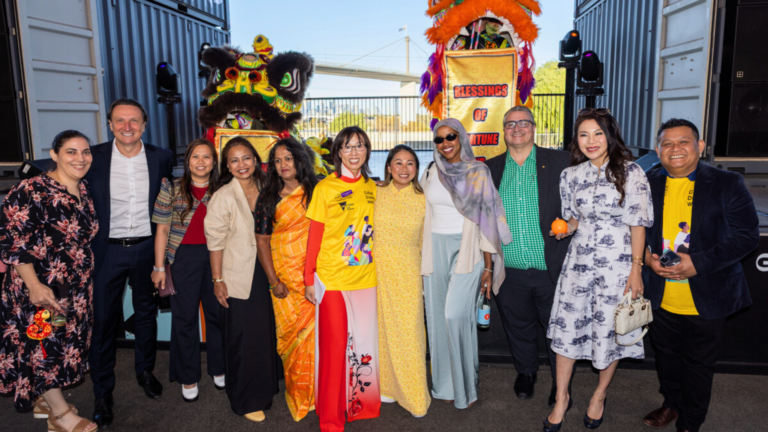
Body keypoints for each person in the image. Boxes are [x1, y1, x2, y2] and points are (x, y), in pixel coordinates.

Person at [641, 119, 759, 432]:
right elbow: (635, 231)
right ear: (658, 150)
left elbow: (747, 235)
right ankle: (672, 403)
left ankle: (691, 421)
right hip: (660, 292)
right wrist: (645, 259)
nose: (675, 149)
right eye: (667, 144)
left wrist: (699, 263)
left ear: (700, 147)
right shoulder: (646, 182)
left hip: (708, 292)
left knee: (698, 364)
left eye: (684, 142)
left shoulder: (726, 183)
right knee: (665, 356)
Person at [544, 109, 654, 432]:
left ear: (610, 135)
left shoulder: (632, 173)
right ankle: (562, 399)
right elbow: (574, 218)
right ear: (576, 140)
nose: (591, 141)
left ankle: (599, 395)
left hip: (617, 267)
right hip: (578, 265)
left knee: (612, 332)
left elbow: (638, 225)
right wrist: (566, 228)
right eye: (583, 135)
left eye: (597, 134)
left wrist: (636, 271)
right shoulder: (570, 176)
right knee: (566, 332)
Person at [0, 130, 99, 432]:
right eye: (71, 152)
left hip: (73, 287)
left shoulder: (84, 188)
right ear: (54, 155)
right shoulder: (31, 189)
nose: (80, 158)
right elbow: (13, 241)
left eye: (85, 152)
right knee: (45, 346)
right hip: (43, 290)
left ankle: (44, 397)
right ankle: (60, 416)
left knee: (62, 341)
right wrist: (34, 286)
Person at [86, 99, 174, 427]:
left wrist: (161, 260)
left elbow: (165, 207)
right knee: (103, 321)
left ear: (144, 124)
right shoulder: (92, 158)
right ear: (109, 124)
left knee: (145, 315)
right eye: (120, 121)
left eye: (134, 121)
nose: (127, 126)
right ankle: (102, 391)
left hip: (146, 250)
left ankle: (145, 372)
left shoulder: (161, 157)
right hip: (105, 252)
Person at [485, 106, 573, 406]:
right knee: (517, 325)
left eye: (524, 122)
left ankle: (561, 384)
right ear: (504, 131)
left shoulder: (560, 161)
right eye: (511, 124)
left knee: (557, 329)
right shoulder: (492, 169)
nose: (517, 128)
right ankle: (526, 372)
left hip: (552, 267)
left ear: (534, 127)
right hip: (509, 269)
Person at [421, 118, 512, 410]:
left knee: (454, 316)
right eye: (439, 139)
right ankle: (444, 385)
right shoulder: (430, 171)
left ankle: (466, 389)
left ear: (461, 138)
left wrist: (488, 267)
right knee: (436, 319)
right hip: (434, 249)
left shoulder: (477, 172)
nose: (445, 143)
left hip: (468, 249)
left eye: (451, 136)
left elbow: (487, 222)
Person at [304, 126, 381, 431]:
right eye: (347, 147)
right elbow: (315, 237)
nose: (354, 152)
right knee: (335, 349)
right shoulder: (325, 188)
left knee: (364, 346)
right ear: (337, 152)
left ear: (367, 151)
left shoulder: (375, 188)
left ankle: (361, 406)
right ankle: (331, 417)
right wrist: (309, 278)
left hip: (366, 279)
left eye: (360, 146)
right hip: (333, 281)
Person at [204, 137, 278, 422]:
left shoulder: (267, 187)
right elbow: (215, 242)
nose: (241, 165)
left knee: (263, 335)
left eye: (246, 158)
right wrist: (217, 279)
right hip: (236, 275)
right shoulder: (224, 195)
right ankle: (245, 400)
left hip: (266, 271)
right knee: (243, 338)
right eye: (234, 160)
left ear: (256, 160)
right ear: (227, 166)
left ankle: (265, 388)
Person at [151, 139, 225, 402]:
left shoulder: (224, 189)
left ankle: (219, 368)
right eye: (196, 157)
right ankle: (188, 375)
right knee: (185, 319)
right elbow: (161, 229)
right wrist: (159, 266)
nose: (201, 162)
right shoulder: (170, 188)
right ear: (187, 161)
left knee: (218, 315)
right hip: (182, 259)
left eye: (207, 157)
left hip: (218, 257)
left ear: (214, 162)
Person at [254, 138, 317, 421]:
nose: (283, 165)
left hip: (315, 277)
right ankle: (300, 395)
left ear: (299, 160)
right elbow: (262, 241)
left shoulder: (316, 191)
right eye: (277, 161)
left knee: (317, 337)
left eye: (288, 159)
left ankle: (322, 393)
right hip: (284, 279)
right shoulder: (268, 199)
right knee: (291, 338)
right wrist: (273, 280)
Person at [374, 145, 431, 418]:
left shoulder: (424, 199)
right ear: (388, 167)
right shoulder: (375, 193)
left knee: (409, 333)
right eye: (398, 163)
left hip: (408, 271)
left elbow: (426, 242)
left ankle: (415, 394)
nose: (404, 169)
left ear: (417, 169)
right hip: (375, 271)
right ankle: (386, 387)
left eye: (410, 164)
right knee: (380, 330)